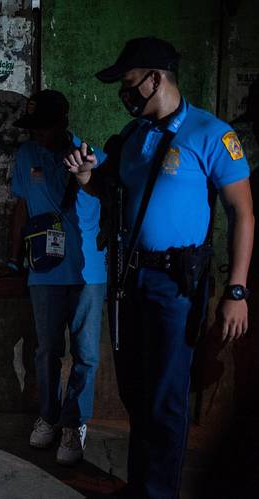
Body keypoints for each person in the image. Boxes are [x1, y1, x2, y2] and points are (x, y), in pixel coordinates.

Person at [65, 37, 254, 498]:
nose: (124, 95)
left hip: (177, 284)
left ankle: (157, 493)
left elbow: (243, 214)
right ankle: (141, 484)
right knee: (135, 389)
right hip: (131, 280)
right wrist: (87, 175)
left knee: (166, 397)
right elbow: (107, 191)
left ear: (155, 79)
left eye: (129, 84)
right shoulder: (133, 137)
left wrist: (236, 290)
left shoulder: (212, 133)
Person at [10, 89, 107, 465]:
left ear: (61, 124)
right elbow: (20, 207)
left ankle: (73, 423)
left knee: (85, 353)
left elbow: (112, 204)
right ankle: (48, 417)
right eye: (32, 127)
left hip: (89, 272)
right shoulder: (26, 155)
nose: (36, 133)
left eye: (43, 127)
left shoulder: (92, 156)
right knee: (47, 350)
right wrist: (12, 257)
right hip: (44, 270)